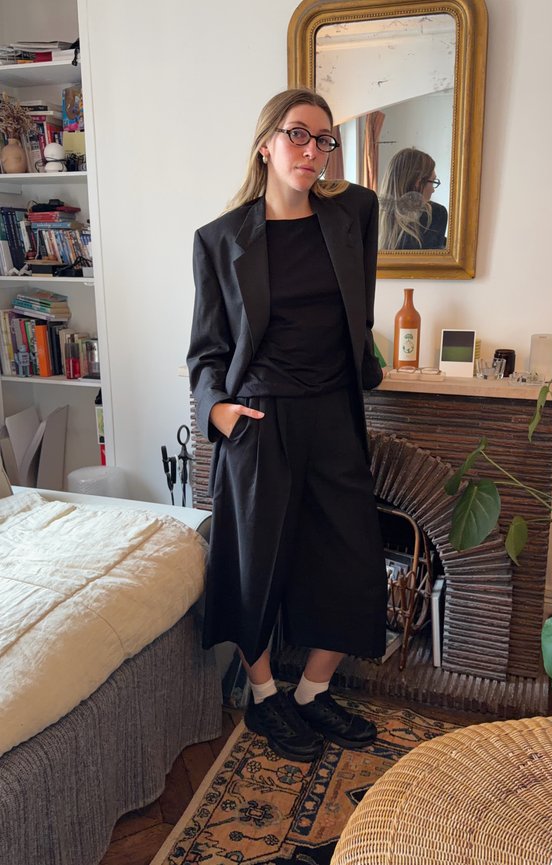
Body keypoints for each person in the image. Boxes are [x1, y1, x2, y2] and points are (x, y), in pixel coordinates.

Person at [187, 87, 388, 763]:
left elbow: (360, 312)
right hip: (259, 418)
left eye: (324, 139)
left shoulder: (354, 215)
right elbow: (207, 351)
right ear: (265, 143)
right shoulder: (220, 240)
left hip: (333, 411)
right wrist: (217, 411)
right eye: (297, 134)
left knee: (355, 559)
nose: (312, 149)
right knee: (256, 562)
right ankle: (264, 693)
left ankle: (312, 691)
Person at [378, 147, 448, 250]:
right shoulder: (436, 213)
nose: (433, 190)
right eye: (433, 182)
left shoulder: (374, 214)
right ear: (418, 183)